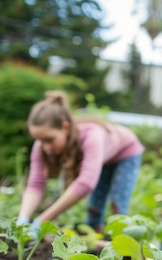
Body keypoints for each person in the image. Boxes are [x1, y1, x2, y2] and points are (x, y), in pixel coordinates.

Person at [16, 90, 144, 237]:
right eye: (40, 140)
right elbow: (36, 184)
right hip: (103, 158)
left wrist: (42, 221)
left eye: (49, 140)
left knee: (118, 203)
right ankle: (95, 239)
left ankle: (122, 243)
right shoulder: (42, 146)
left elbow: (86, 183)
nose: (46, 147)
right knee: (94, 208)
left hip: (126, 152)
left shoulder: (91, 136)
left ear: (65, 127)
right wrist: (22, 219)